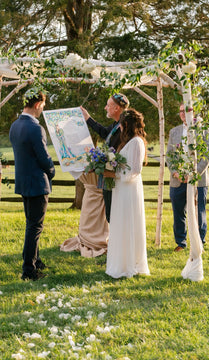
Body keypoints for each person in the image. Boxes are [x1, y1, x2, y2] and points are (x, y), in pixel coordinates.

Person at [9, 90, 55, 281]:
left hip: (23, 181)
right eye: (43, 106)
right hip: (37, 182)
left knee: (31, 224)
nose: (42, 109)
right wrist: (51, 170)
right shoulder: (36, 128)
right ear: (37, 105)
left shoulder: (15, 125)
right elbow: (43, 157)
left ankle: (35, 260)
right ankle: (29, 269)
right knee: (35, 226)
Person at [105, 108, 150, 279]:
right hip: (121, 189)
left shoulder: (137, 142)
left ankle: (130, 263)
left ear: (125, 124)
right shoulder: (128, 142)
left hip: (129, 190)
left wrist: (112, 174)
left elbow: (135, 171)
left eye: (121, 125)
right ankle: (121, 260)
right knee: (120, 223)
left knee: (128, 223)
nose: (120, 128)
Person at [166, 104, 209, 251]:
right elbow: (169, 155)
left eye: (185, 110)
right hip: (177, 179)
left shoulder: (204, 131)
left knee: (199, 212)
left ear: (193, 112)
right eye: (180, 111)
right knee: (178, 211)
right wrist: (175, 172)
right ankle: (181, 242)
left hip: (198, 179)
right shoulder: (174, 132)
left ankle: (200, 242)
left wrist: (193, 174)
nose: (182, 113)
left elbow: (206, 156)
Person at [80, 93, 129, 222]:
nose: (105, 108)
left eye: (108, 105)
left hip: (116, 178)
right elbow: (104, 133)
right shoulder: (116, 125)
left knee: (113, 216)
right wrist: (88, 118)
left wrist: (100, 162)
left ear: (116, 108)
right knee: (110, 215)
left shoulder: (125, 127)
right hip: (109, 177)